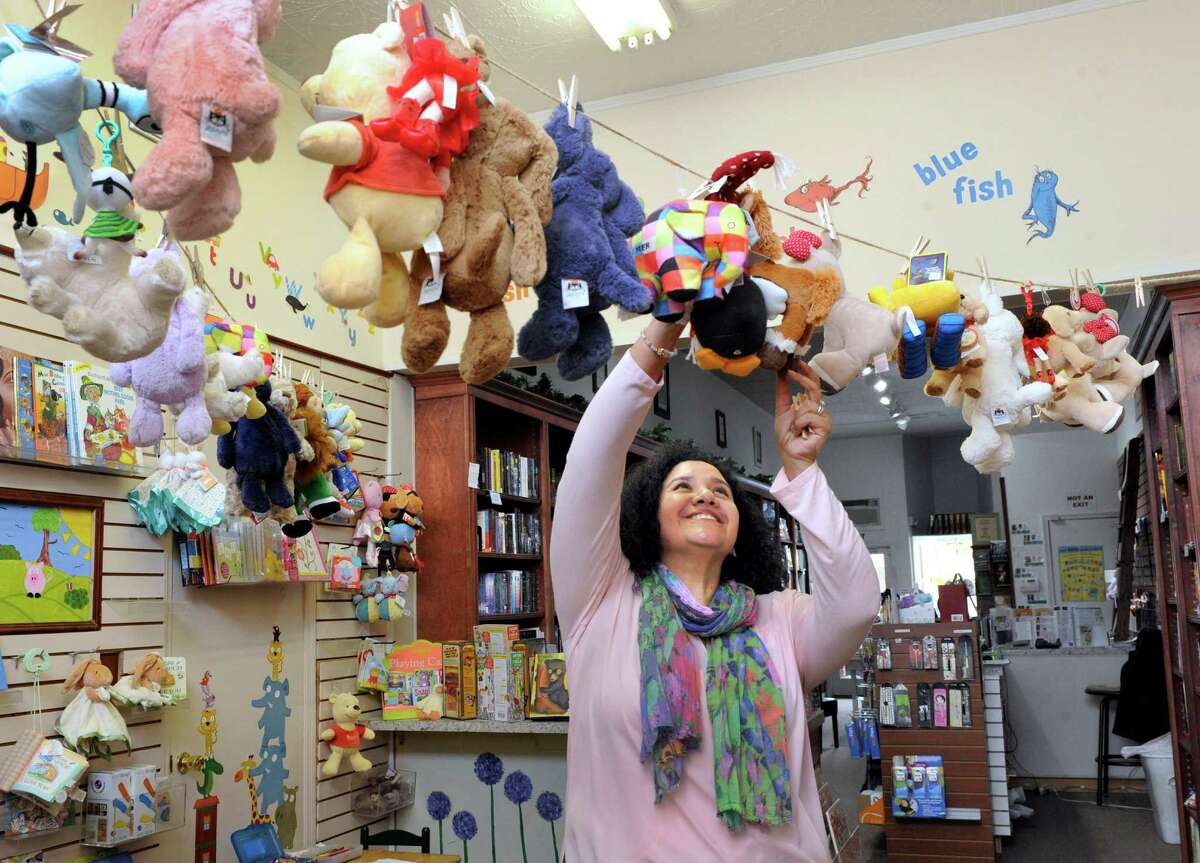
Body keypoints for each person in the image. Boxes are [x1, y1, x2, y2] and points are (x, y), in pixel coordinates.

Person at [551, 317, 880, 862]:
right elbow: (589, 462)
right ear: (646, 520)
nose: (705, 496)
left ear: (738, 534)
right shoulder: (600, 603)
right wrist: (662, 333)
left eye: (720, 491)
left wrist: (800, 472)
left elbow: (855, 604)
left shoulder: (779, 620)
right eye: (683, 486)